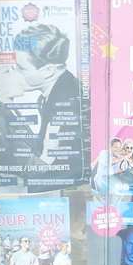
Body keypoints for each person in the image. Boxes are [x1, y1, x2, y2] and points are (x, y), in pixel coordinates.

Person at [10, 23, 83, 171]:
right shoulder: (57, 91)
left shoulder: (65, 104)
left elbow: (47, 165)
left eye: (21, 68)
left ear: (48, 71)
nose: (14, 72)